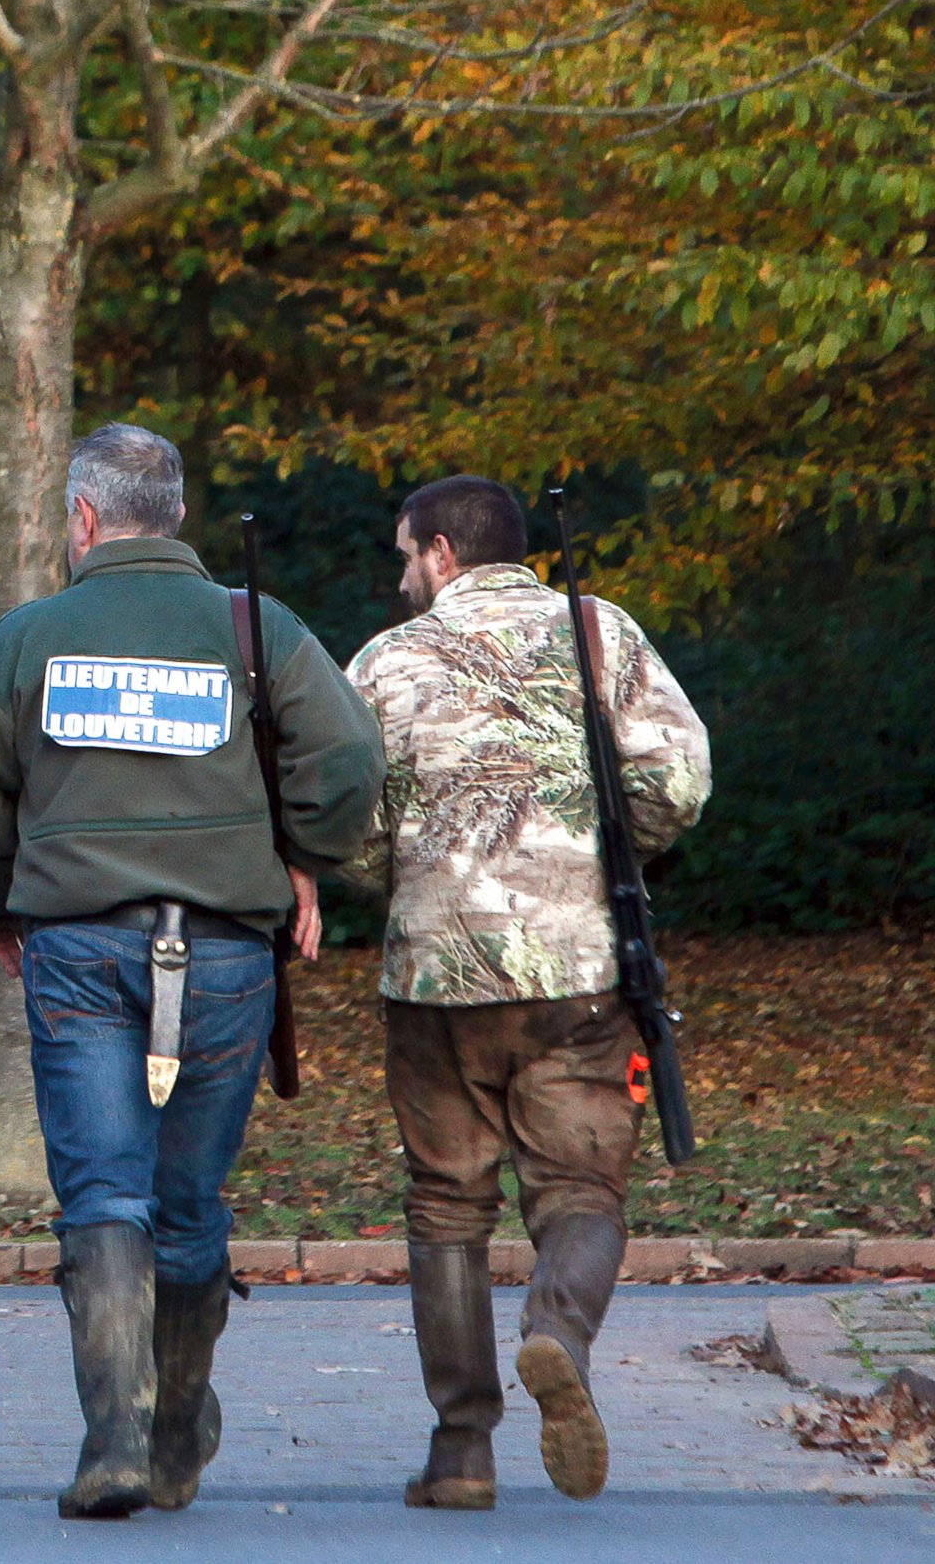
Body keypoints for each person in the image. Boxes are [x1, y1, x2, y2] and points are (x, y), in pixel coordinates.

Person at [0, 423, 383, 1521]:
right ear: (175, 514)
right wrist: (303, 855)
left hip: (77, 948)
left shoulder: (27, 637)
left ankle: (115, 1439)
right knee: (188, 1201)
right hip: (230, 953)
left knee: (103, 1193)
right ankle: (179, 1420)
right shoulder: (255, 626)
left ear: (82, 520)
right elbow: (352, 759)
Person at [340, 475, 711, 1509]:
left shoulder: (382, 659)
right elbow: (679, 780)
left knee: (446, 1203)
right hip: (580, 971)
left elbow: (343, 815)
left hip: (434, 976)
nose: (400, 572)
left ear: (445, 553)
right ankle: (556, 1331)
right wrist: (602, 855)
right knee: (582, 1191)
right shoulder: (602, 632)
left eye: (406, 553)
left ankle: (461, 1449)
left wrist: (404, 878)